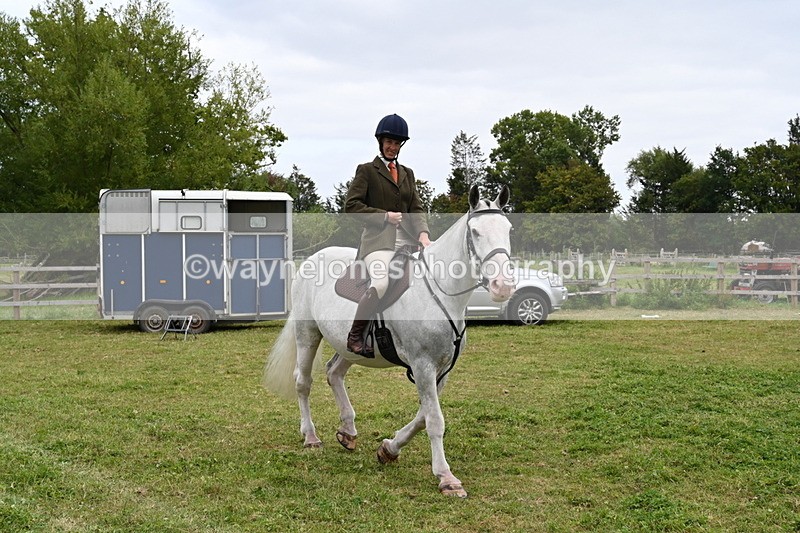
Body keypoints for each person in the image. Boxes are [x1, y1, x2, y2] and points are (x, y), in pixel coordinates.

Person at [344, 114, 432, 356]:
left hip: (407, 242)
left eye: (397, 143)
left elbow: (416, 207)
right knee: (382, 282)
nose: (392, 147)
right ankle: (355, 336)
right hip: (378, 243)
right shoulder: (366, 171)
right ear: (380, 142)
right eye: (389, 142)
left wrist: (423, 234)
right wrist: (384, 216)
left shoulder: (407, 173)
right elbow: (351, 206)